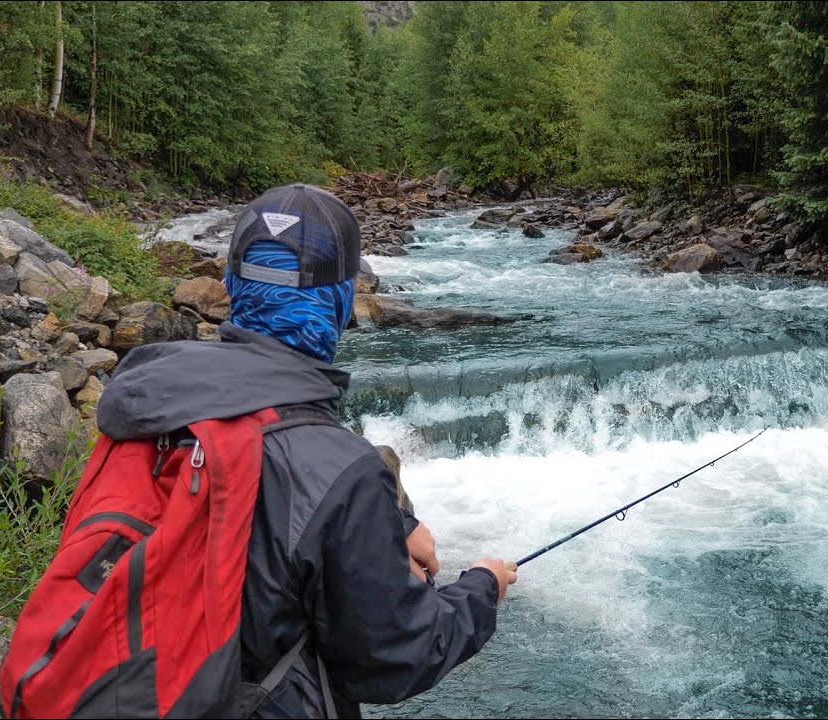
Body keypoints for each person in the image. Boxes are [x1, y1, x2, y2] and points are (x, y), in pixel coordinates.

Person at [95, 183, 515, 718]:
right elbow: (393, 657)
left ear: (230, 285)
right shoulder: (341, 468)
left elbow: (251, 495)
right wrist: (482, 587)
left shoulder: (146, 403)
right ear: (343, 304)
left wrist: (385, 525)